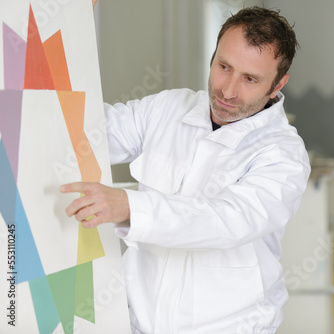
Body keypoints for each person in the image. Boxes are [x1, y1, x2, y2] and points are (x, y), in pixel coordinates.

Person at [60, 5, 310, 334]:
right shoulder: (168, 108)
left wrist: (128, 206)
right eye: (224, 67)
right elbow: (85, 134)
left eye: (250, 79)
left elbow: (224, 220)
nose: (228, 90)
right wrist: (69, 23)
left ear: (278, 83)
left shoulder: (283, 155)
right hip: (136, 323)